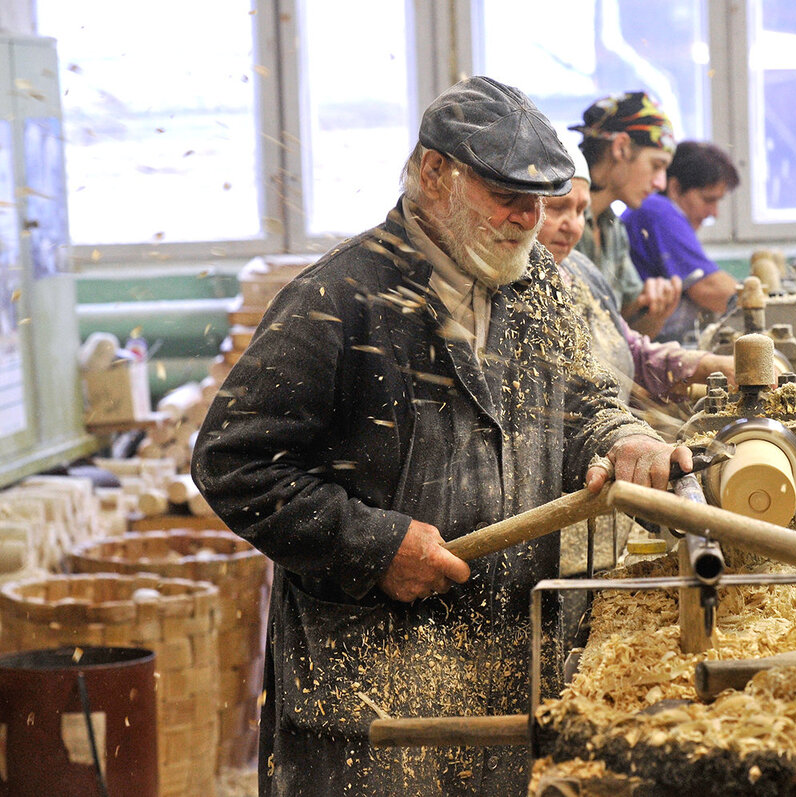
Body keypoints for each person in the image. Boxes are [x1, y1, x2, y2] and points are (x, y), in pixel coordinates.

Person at [191, 75, 690, 797]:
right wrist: (373, 545)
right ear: (434, 173)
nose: (529, 218)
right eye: (507, 194)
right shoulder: (340, 298)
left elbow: (585, 404)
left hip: (509, 673)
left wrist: (624, 438)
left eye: (542, 198)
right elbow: (233, 460)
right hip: (373, 693)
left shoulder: (537, 286)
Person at [539, 148, 736, 409]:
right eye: (556, 208)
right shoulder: (513, 288)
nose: (574, 226)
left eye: (581, 212)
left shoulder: (581, 271)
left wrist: (708, 366)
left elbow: (629, 350)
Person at [570, 91, 682, 340]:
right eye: (656, 165)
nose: (661, 183)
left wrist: (656, 310)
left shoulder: (613, 228)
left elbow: (627, 340)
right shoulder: (558, 222)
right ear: (620, 148)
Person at [622, 140, 741, 344]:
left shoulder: (655, 210)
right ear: (675, 188)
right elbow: (710, 288)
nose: (714, 213)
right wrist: (765, 301)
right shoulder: (658, 211)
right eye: (708, 199)